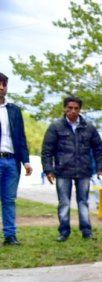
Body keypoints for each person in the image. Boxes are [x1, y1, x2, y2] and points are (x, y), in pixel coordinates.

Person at [41, 96, 102, 241]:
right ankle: (64, 232)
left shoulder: (89, 127)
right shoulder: (56, 126)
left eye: (76, 108)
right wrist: (48, 170)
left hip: (84, 170)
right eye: (70, 108)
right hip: (63, 170)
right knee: (64, 202)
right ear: (65, 108)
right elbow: (47, 150)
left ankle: (86, 231)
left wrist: (100, 167)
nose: (73, 111)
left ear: (80, 110)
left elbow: (98, 149)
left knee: (83, 202)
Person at [0, 73, 32, 246]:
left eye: (4, 84)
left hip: (12, 161)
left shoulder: (14, 110)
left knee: (9, 200)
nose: (1, 87)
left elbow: (21, 137)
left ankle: (10, 236)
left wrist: (26, 161)